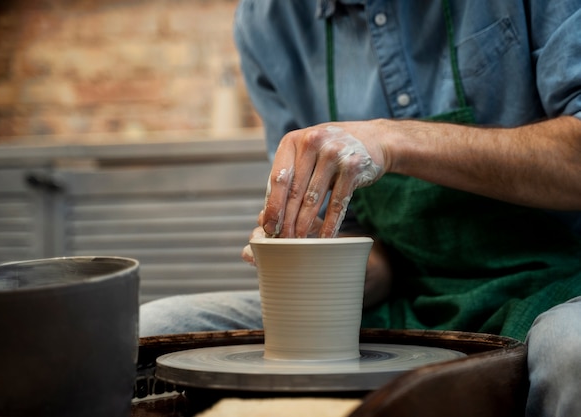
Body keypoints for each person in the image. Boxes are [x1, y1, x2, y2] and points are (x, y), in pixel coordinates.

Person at [140, 1, 581, 415]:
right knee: (147, 329)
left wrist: (393, 141)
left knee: (574, 351)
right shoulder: (269, 20)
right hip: (409, 295)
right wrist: (321, 262)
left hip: (564, 280)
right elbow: (358, 236)